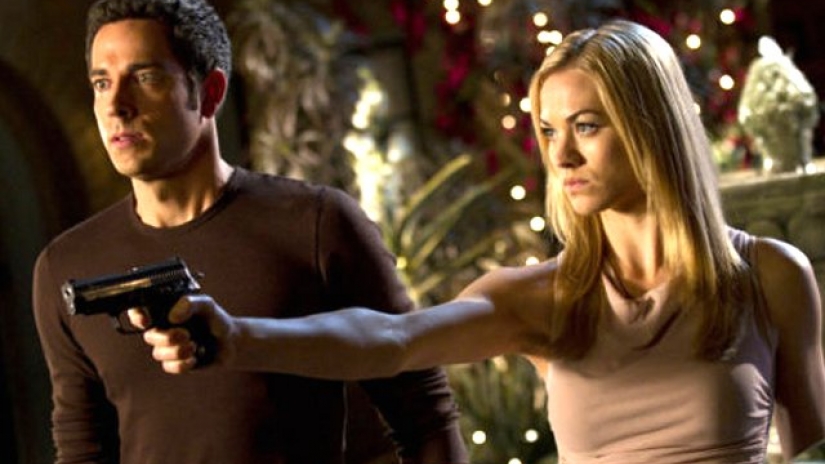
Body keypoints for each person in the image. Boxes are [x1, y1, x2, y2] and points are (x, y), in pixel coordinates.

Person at [134, 19, 825, 464]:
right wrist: (241, 338)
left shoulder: (769, 276)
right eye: (548, 132)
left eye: (586, 126)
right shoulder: (544, 298)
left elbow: (811, 453)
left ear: (651, 127)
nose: (561, 157)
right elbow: (392, 340)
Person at [31, 0, 469, 463]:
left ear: (211, 92)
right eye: (102, 83)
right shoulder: (65, 267)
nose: (116, 106)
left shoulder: (315, 224)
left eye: (146, 78)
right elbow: (81, 449)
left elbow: (425, 416)